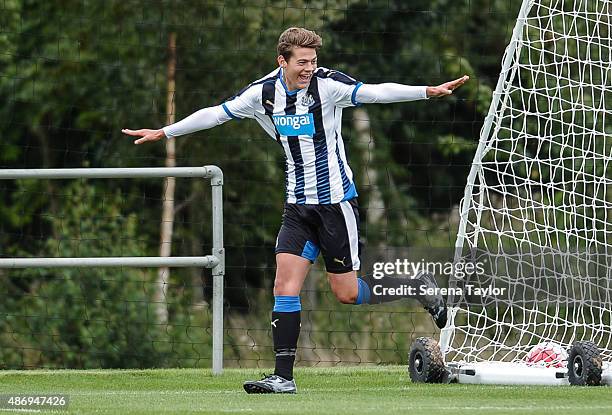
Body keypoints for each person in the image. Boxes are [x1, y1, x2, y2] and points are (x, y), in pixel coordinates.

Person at [123, 27, 469, 394]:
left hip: (336, 205)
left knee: (347, 294)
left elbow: (375, 92)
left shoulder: (329, 85)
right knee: (283, 285)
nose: (309, 68)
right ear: (282, 61)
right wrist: (165, 132)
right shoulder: (263, 93)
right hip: (297, 208)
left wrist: (426, 92)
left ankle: (415, 286)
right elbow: (216, 114)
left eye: (313, 61)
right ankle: (283, 377)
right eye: (302, 62)